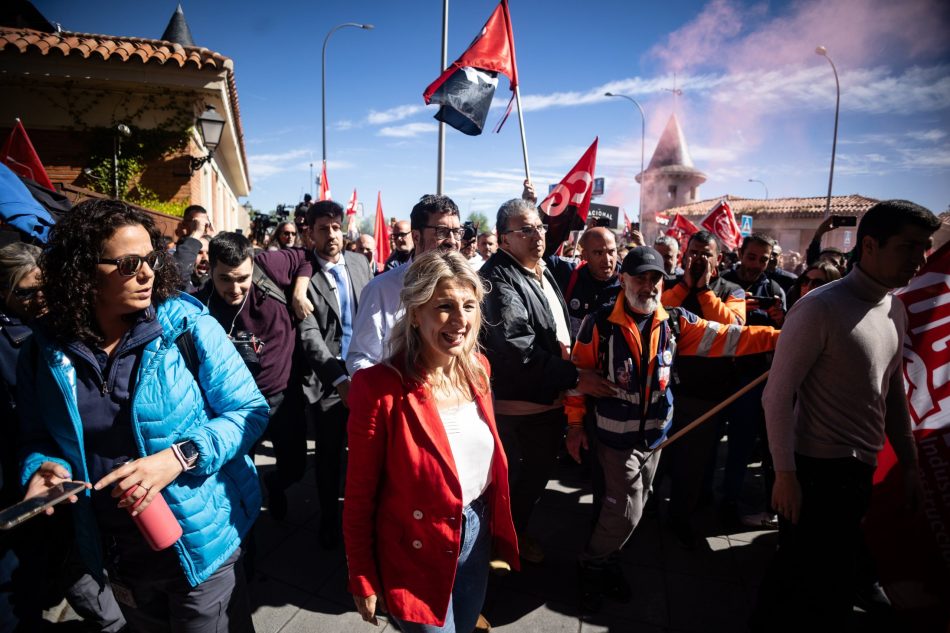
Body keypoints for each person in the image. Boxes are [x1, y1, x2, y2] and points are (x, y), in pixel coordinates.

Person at [17, 199, 268, 632]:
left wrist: (180, 456)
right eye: (129, 263)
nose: (148, 273)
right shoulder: (44, 350)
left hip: (199, 542)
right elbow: (39, 434)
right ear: (81, 270)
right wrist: (42, 468)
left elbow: (250, 411)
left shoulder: (186, 325)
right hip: (114, 550)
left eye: (150, 259)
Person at [753, 200, 939, 632]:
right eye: (909, 247)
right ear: (869, 245)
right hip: (814, 473)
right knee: (804, 582)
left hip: (860, 472)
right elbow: (776, 397)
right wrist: (785, 474)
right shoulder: (820, 308)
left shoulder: (895, 309)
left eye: (926, 248)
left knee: (822, 581)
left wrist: (909, 463)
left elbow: (892, 392)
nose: (920, 259)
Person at [565, 246, 779, 612]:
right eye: (639, 277)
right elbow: (577, 378)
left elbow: (732, 337)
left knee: (631, 506)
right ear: (623, 279)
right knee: (626, 512)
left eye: (655, 278)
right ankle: (592, 563)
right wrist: (574, 426)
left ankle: (608, 561)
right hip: (615, 441)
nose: (647, 286)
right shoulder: (599, 322)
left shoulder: (676, 322)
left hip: (657, 440)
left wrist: (780, 336)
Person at [344, 250, 519, 632]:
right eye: (444, 306)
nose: (460, 320)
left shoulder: (479, 370)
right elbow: (359, 495)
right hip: (414, 549)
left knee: (469, 624)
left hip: (475, 534)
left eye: (469, 305)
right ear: (415, 313)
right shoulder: (378, 389)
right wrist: (361, 573)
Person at [479, 198, 614, 564]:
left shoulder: (537, 268)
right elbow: (516, 348)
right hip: (519, 411)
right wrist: (575, 376)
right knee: (512, 486)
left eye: (539, 227)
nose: (537, 235)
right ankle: (493, 552)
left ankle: (513, 537)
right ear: (503, 239)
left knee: (532, 483)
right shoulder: (497, 279)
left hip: (547, 401)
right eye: (525, 229)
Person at [196, 231, 312, 521]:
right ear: (210, 269)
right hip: (235, 406)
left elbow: (306, 257)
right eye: (225, 279)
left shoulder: (270, 265)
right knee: (237, 476)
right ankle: (248, 537)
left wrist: (299, 291)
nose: (235, 288)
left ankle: (275, 484)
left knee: (296, 467)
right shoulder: (200, 306)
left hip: (283, 396)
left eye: (242, 278)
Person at [659, 230, 746, 546]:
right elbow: (658, 312)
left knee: (692, 466)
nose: (697, 259)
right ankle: (647, 513)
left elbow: (733, 330)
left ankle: (680, 517)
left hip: (706, 396)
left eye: (705, 254)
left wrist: (705, 289)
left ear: (718, 259)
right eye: (693, 252)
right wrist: (685, 286)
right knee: (658, 459)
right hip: (664, 390)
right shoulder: (670, 285)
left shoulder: (732, 291)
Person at [297, 201, 373, 548]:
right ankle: (329, 519)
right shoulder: (302, 274)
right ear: (310, 233)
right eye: (323, 228)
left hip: (367, 370)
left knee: (367, 452)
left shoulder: (360, 263)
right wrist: (340, 382)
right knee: (329, 456)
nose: (331, 234)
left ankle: (364, 516)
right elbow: (310, 336)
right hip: (329, 380)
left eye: (336, 227)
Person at [346, 194, 462, 375]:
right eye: (441, 232)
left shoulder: (467, 288)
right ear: (416, 237)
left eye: (457, 232)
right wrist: (394, 392)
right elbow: (360, 360)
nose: (453, 241)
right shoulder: (381, 290)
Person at [720, 233, 786, 527]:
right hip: (715, 378)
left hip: (751, 381)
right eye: (751, 257)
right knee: (707, 448)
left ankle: (729, 501)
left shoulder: (774, 291)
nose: (757, 264)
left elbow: (784, 340)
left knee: (740, 447)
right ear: (740, 254)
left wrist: (780, 320)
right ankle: (696, 497)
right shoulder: (720, 284)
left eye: (764, 259)